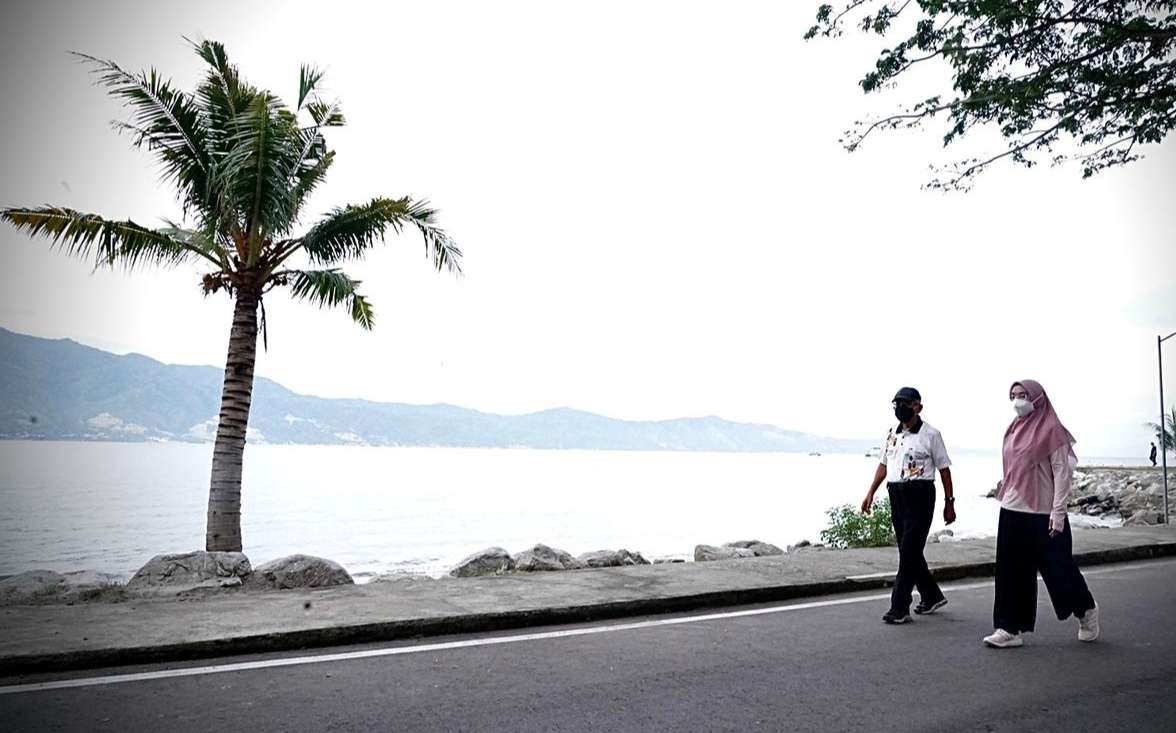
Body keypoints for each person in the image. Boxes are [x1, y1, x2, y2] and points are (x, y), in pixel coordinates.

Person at [983, 379, 1099, 648]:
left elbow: (1062, 474)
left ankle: (1086, 609)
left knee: (1059, 571)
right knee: (1011, 571)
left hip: (1044, 511)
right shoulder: (1013, 429)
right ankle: (1009, 628)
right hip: (1012, 508)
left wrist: (1058, 513)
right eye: (1013, 395)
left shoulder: (1052, 431)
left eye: (1023, 395)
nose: (1018, 400)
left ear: (1038, 398)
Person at [862, 387, 956, 624]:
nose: (900, 408)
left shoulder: (931, 435)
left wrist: (949, 502)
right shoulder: (890, 434)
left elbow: (944, 469)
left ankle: (899, 606)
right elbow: (884, 465)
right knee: (909, 551)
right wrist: (870, 492)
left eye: (905, 403)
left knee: (909, 552)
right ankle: (931, 595)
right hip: (897, 494)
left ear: (918, 407)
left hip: (920, 494)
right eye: (896, 404)